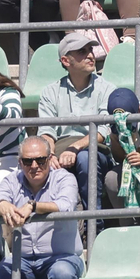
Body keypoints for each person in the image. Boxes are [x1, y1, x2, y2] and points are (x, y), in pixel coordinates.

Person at [36, 31, 111, 212]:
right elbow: (46, 131)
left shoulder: (107, 88)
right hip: (60, 151)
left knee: (86, 159)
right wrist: (50, 156)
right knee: (38, 165)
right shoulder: (50, 92)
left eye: (90, 50)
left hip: (96, 150)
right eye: (82, 52)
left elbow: (104, 130)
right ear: (65, 61)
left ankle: (94, 223)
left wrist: (75, 148)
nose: (90, 55)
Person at [0, 137, 83, 279]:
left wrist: (33, 206)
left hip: (61, 258)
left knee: (61, 274)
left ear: (50, 159)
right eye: (28, 161)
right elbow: (0, 197)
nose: (34, 166)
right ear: (20, 163)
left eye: (40, 160)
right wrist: (1, 204)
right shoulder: (11, 180)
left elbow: (66, 205)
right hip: (21, 258)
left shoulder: (65, 178)